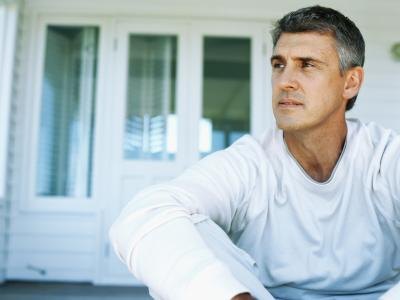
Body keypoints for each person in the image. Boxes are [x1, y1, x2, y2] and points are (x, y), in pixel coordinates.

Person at [109, 5, 400, 300]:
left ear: (350, 82)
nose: (285, 81)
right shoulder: (251, 162)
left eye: (307, 64)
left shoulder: (385, 157)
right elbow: (144, 214)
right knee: (181, 222)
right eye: (278, 64)